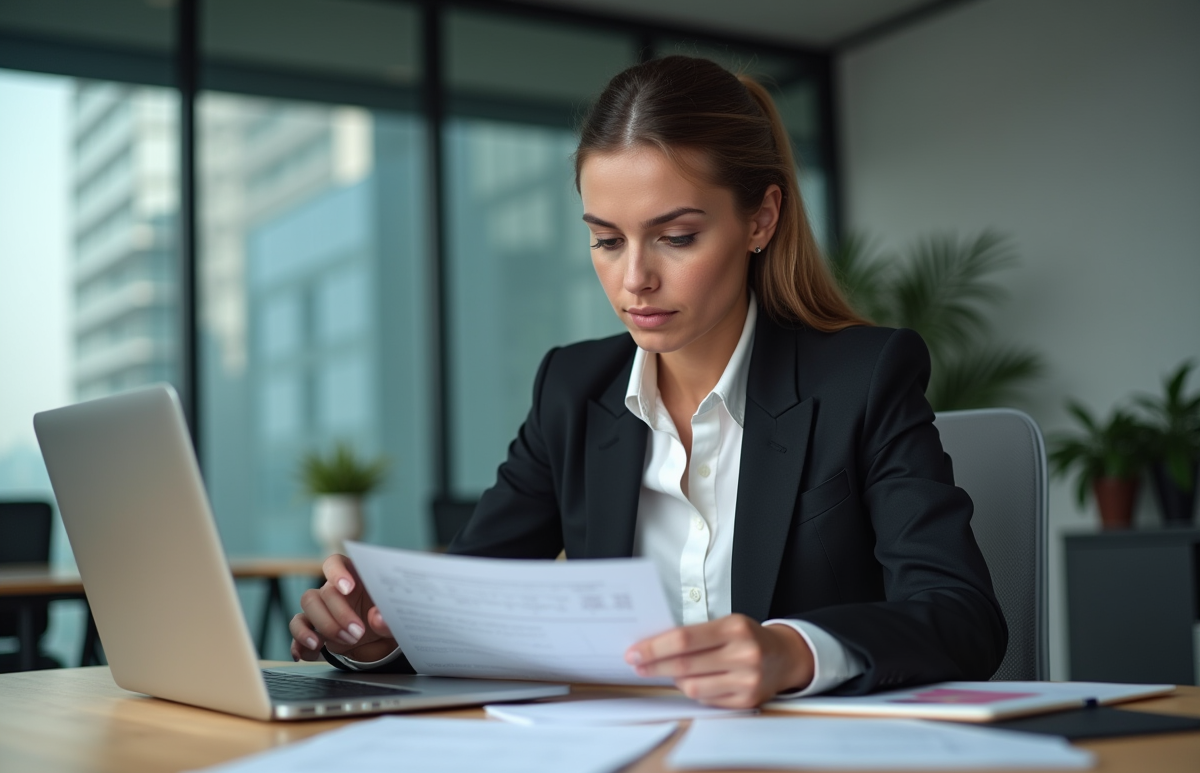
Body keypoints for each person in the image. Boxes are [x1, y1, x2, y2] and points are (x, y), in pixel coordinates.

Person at [289, 55, 1007, 708]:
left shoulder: (864, 377)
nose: (634, 279)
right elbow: (473, 601)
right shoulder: (573, 390)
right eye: (606, 240)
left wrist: (791, 651)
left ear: (761, 218)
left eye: (677, 236)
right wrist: (380, 635)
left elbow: (961, 614)